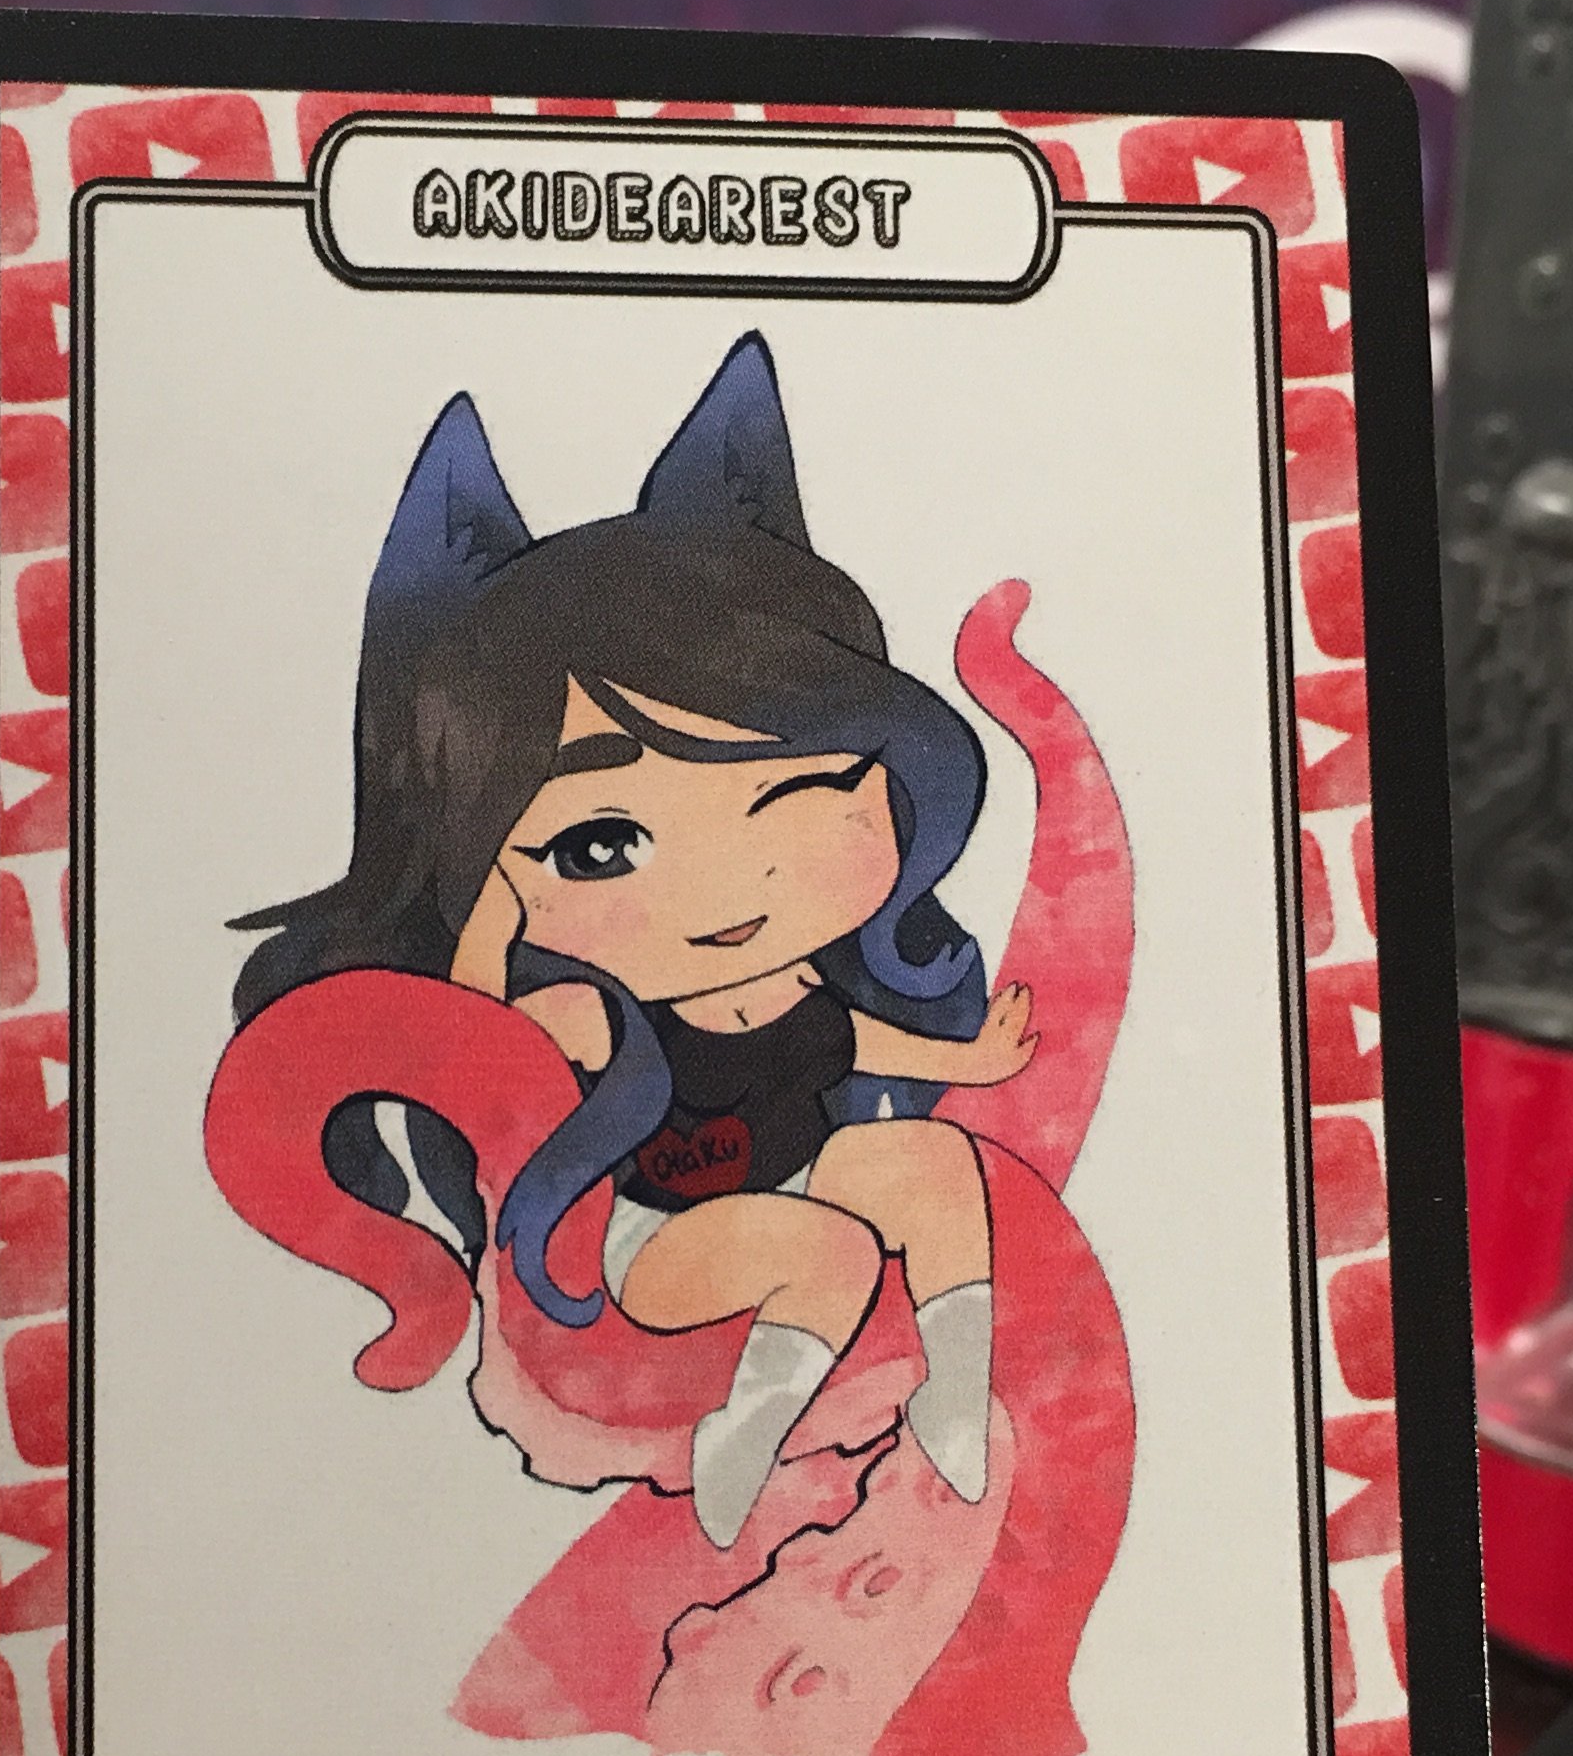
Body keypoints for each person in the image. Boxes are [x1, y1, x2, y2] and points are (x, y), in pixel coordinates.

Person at [232, 333, 1036, 1545]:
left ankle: (957, 1395)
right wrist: (489, 928)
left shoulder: (792, 984)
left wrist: (975, 1060)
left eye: (798, 792)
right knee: (822, 1255)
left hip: (792, 1178)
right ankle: (742, 1437)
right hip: (647, 1244)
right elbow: (477, 1040)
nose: (731, 885)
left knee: (930, 1169)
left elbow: (853, 1039)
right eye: (601, 845)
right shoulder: (584, 1013)